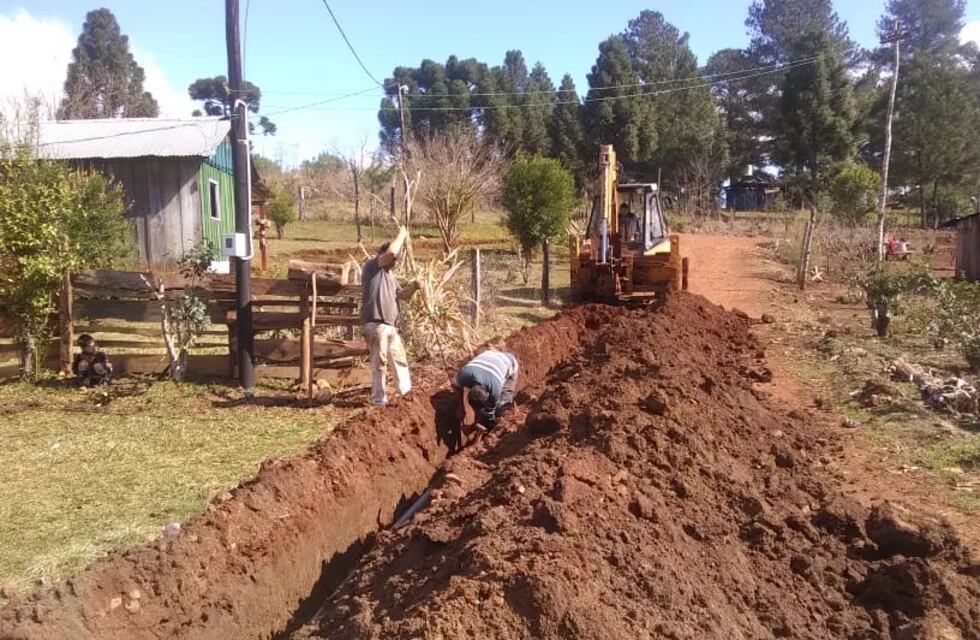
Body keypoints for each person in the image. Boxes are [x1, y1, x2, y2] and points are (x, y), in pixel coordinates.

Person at [361, 226, 419, 407]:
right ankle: (379, 401)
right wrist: (403, 233)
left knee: (399, 359)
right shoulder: (372, 267)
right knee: (380, 363)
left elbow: (403, 296)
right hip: (376, 325)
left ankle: (406, 394)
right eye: (392, 258)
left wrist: (415, 287)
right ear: (383, 255)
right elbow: (393, 251)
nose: (395, 261)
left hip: (390, 326)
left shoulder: (390, 275)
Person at [453, 349, 519, 435]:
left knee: (501, 407)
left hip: (509, 362)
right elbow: (456, 385)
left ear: (488, 394)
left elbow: (489, 414)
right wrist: (461, 408)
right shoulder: (464, 374)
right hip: (489, 355)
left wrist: (487, 424)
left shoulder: (495, 389)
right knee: (484, 413)